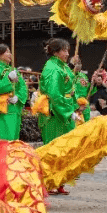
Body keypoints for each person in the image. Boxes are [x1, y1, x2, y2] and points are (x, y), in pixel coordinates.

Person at [38, 38, 77, 194]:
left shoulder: (61, 66)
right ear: (55, 52)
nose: (67, 53)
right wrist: (68, 111)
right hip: (55, 114)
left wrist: (74, 103)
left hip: (64, 109)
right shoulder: (53, 68)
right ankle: (49, 182)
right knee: (53, 148)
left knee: (63, 148)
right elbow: (54, 94)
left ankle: (59, 181)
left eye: (68, 50)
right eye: (64, 50)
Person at [0, 43, 28, 142]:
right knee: (7, 138)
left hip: (15, 107)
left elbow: (22, 86)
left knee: (15, 139)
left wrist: (18, 96)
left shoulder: (13, 70)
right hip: (4, 107)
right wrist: (8, 78)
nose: (10, 54)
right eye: (7, 52)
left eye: (10, 52)